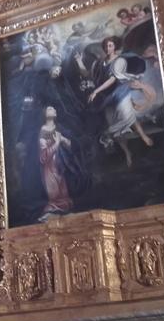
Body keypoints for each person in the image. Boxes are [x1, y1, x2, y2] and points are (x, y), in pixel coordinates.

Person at [80, 36, 155, 167]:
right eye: (105, 46)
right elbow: (88, 75)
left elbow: (113, 80)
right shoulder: (98, 63)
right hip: (107, 97)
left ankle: (142, 136)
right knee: (115, 126)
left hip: (121, 92)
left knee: (127, 117)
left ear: (114, 47)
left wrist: (95, 91)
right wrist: (78, 61)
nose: (107, 48)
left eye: (110, 46)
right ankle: (127, 152)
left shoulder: (119, 61)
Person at [38, 106, 73, 214]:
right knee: (55, 193)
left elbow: (69, 144)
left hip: (60, 164)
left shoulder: (59, 128)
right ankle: (55, 208)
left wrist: (63, 140)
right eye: (50, 109)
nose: (54, 110)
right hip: (49, 166)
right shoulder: (43, 130)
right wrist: (57, 142)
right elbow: (44, 155)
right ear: (44, 114)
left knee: (63, 191)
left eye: (54, 109)